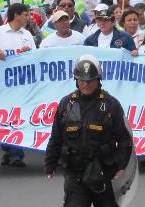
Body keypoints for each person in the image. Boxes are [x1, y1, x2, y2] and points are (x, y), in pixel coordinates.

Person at [45, 55, 133, 207]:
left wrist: (121, 167)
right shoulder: (67, 104)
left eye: (90, 80)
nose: (85, 84)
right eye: (81, 80)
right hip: (75, 173)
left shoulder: (111, 105)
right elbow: (56, 136)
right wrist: (50, 163)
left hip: (104, 172)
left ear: (98, 79)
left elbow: (125, 140)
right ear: (76, 80)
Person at [0, 3, 36, 168]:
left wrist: (29, 53)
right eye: (26, 14)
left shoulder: (27, 34)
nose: (28, 18)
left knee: (17, 117)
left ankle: (16, 154)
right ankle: (8, 149)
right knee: (5, 118)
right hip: (3, 84)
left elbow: (37, 56)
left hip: (22, 84)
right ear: (16, 15)